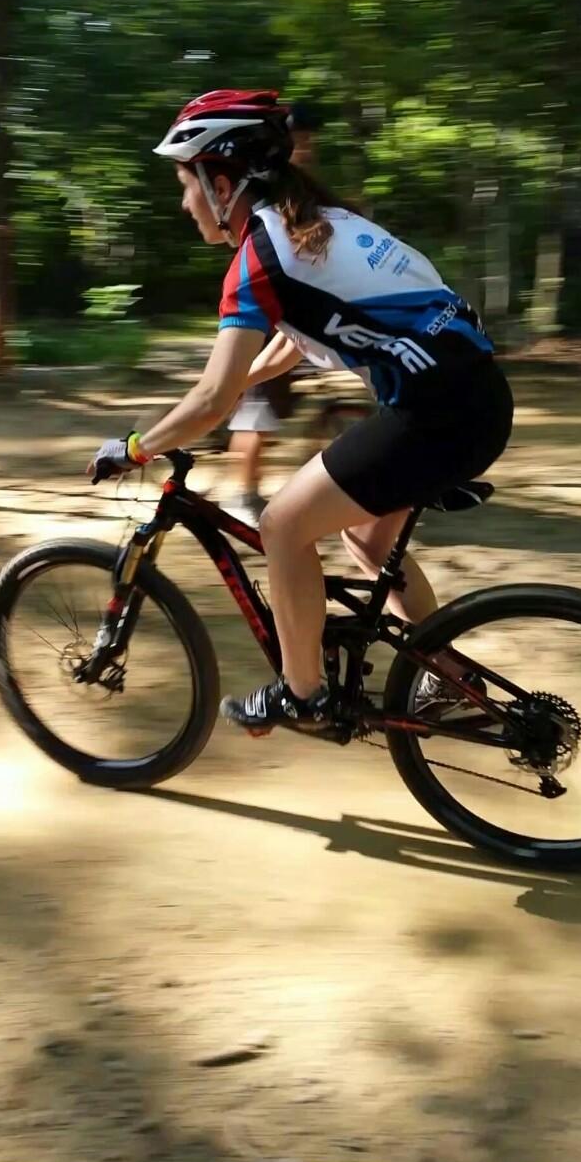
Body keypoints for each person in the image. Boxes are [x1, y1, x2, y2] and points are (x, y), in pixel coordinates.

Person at [87, 89, 513, 733]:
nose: (183, 202)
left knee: (284, 525)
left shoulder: (260, 258)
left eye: (185, 184)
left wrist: (137, 446)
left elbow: (208, 397)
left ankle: (303, 693)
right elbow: (296, 338)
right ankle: (447, 675)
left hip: (436, 416)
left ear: (220, 180)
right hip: (474, 398)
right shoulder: (326, 222)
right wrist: (238, 389)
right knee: (365, 537)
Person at [222, 102, 324, 526]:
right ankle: (242, 495)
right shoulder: (274, 195)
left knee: (257, 408)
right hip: (267, 315)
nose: (308, 148)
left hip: (282, 315)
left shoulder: (294, 188)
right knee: (255, 415)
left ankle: (246, 494)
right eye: (302, 140)